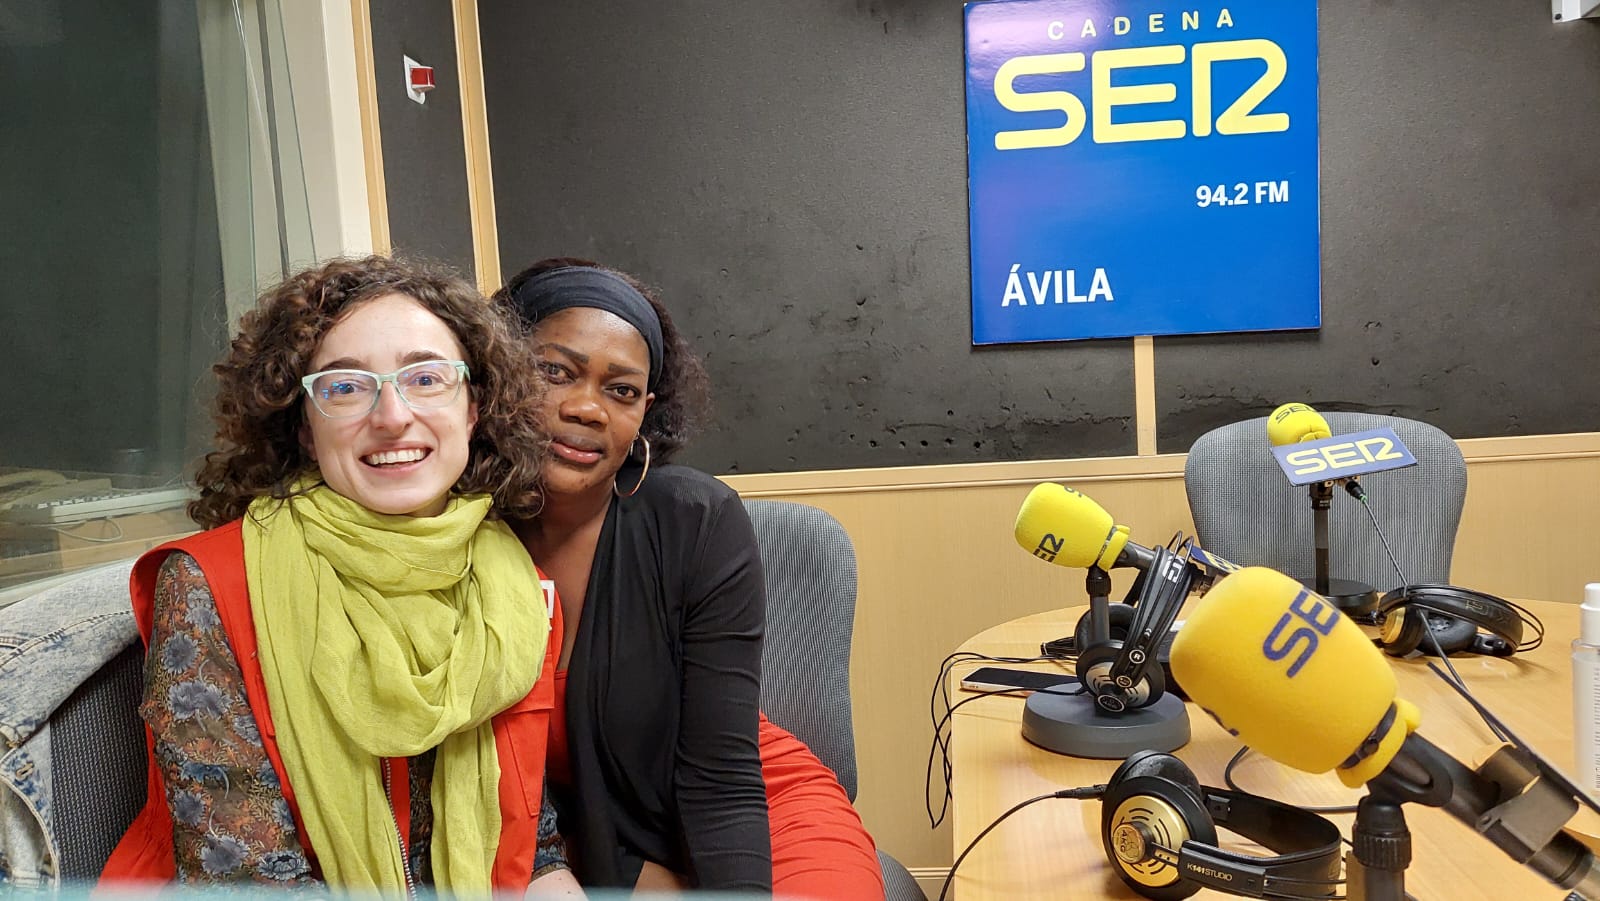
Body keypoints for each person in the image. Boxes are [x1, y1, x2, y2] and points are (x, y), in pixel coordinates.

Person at [102, 256, 584, 897]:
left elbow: (531, 837)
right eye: (345, 387)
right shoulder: (208, 583)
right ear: (303, 427)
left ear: (474, 407)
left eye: (427, 378)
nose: (391, 416)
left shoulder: (507, 576)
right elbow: (245, 877)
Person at [496, 259, 886, 898]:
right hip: (583, 843)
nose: (586, 407)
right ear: (498, 371)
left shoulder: (693, 519)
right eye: (554, 372)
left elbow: (724, 775)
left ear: (644, 413)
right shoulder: (455, 531)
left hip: (754, 813)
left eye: (620, 391)